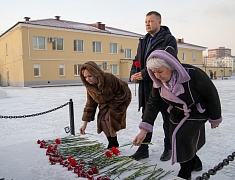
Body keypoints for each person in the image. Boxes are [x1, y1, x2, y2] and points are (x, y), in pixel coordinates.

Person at [133, 46, 222, 180]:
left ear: (171, 66)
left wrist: (215, 118)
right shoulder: (158, 83)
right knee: (173, 138)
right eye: (154, 72)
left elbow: (211, 95)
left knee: (181, 137)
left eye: (160, 71)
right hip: (177, 112)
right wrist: (144, 129)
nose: (157, 76)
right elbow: (152, 104)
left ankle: (185, 170)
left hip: (197, 110)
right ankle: (195, 162)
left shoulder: (193, 74)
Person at [129, 11, 178, 161]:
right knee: (146, 118)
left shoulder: (168, 39)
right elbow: (137, 60)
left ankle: (169, 148)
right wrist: (133, 73)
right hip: (146, 88)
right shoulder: (143, 41)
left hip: (163, 85)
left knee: (167, 119)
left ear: (159, 22)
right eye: (146, 22)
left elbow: (165, 60)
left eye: (150, 21)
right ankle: (143, 149)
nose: (147, 24)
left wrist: (144, 73)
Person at [79, 61, 132, 149]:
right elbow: (90, 105)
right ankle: (110, 143)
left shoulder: (109, 78)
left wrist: (115, 105)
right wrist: (84, 124)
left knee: (109, 119)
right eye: (85, 77)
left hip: (119, 102)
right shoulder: (90, 88)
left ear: (95, 73)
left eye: (90, 76)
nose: (88, 79)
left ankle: (114, 143)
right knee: (102, 121)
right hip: (105, 106)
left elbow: (124, 91)